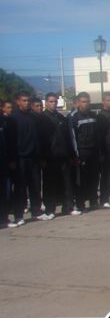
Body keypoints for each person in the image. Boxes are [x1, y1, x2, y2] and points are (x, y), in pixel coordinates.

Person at [9, 91, 44, 226]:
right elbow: (10, 140)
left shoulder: (34, 117)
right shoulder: (13, 119)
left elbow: (39, 138)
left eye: (28, 100)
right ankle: (18, 215)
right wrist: (12, 159)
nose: (26, 103)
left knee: (35, 186)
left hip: (34, 158)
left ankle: (36, 211)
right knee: (20, 188)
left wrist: (40, 156)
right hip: (20, 158)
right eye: (24, 100)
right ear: (18, 102)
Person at [69, 92, 104, 213]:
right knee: (82, 180)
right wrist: (76, 155)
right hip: (82, 153)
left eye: (87, 101)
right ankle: (80, 204)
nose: (86, 104)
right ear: (78, 103)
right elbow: (72, 138)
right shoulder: (73, 117)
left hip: (94, 152)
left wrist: (99, 152)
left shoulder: (94, 115)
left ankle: (94, 201)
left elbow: (98, 135)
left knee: (94, 178)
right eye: (83, 101)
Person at [0, 103, 16, 226]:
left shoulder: (5, 121)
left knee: (5, 191)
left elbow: (10, 141)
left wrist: (11, 159)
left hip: (4, 161)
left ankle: (4, 218)